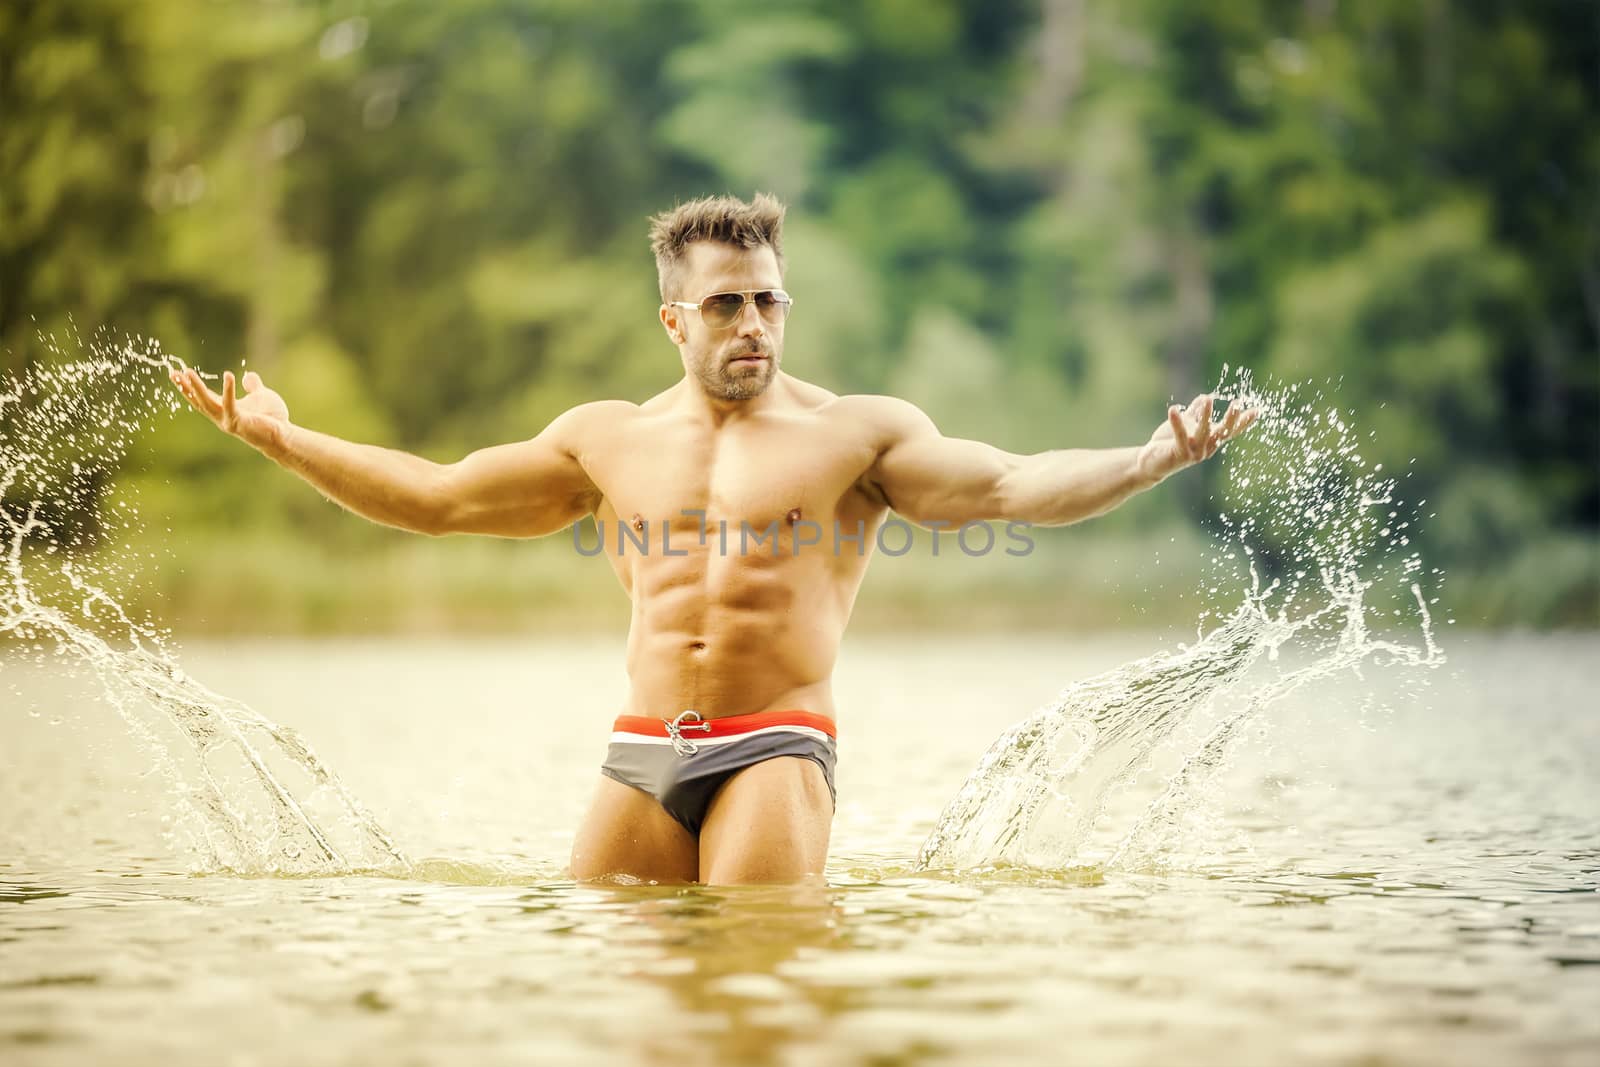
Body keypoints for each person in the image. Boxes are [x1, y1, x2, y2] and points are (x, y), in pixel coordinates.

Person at [170, 192, 1256, 886]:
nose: (754, 325)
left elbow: (1016, 484)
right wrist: (281, 437)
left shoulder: (856, 434)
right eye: (728, 303)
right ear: (674, 320)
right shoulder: (605, 442)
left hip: (773, 747)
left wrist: (1144, 460)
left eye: (770, 303)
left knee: (752, 998)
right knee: (619, 1000)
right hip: (641, 749)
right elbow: (437, 497)